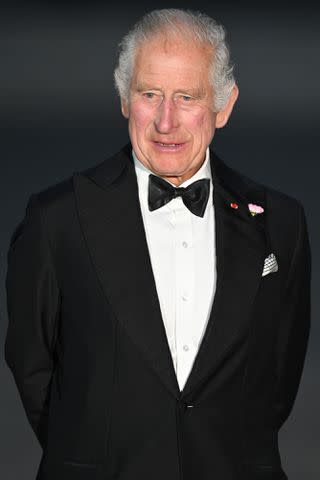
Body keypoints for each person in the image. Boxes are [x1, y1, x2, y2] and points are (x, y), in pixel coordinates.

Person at [5, 8, 311, 480]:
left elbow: (279, 377)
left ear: (224, 106)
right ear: (125, 99)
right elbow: (32, 363)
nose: (166, 122)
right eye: (150, 94)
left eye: (187, 97)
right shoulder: (57, 219)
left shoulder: (280, 223)